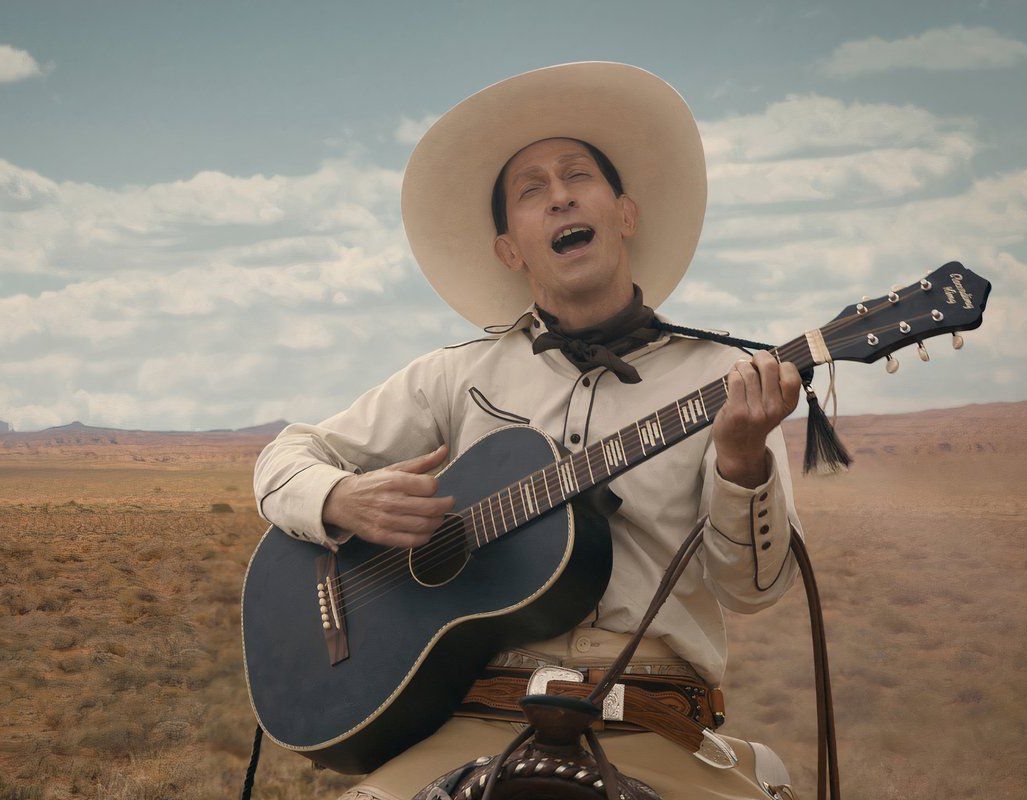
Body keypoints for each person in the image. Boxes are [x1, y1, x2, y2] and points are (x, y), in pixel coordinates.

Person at [252, 62, 804, 800]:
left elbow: (754, 588)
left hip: (654, 718)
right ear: (511, 249)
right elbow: (285, 457)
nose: (561, 195)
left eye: (578, 176)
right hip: (477, 712)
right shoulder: (458, 376)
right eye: (531, 190)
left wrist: (741, 464)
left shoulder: (725, 380)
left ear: (624, 212)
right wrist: (339, 499)